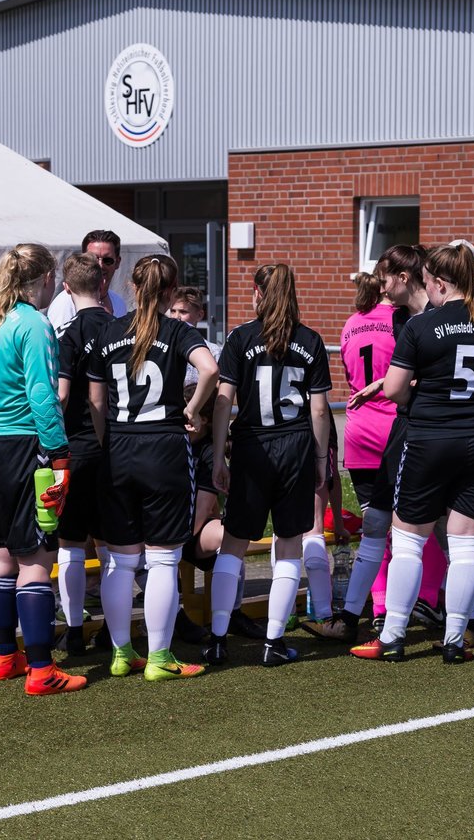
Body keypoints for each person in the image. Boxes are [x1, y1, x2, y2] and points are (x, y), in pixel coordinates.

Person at [350, 243, 474, 663]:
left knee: (409, 540)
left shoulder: (421, 327)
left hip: (430, 438)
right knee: (466, 542)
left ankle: (392, 636)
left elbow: (394, 390)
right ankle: (455, 640)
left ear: (439, 282)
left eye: (429, 281)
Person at [88, 255, 219, 682]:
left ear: (132, 286)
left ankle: (122, 652)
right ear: (170, 292)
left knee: (121, 562)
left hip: (120, 448)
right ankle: (160, 657)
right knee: (163, 560)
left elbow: (94, 401)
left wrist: (108, 440)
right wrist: (193, 410)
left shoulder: (108, 330)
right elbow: (210, 369)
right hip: (163, 448)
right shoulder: (179, 330)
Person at [0, 243, 85, 695]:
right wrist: (60, 456)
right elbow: (43, 395)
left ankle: (3, 656)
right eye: (51, 276)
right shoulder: (34, 324)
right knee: (35, 559)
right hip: (22, 447)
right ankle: (40, 669)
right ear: (42, 278)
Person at [204, 263, 332, 667]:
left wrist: (219, 450)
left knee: (234, 545)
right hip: (293, 446)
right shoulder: (309, 340)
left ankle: (218, 638)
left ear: (258, 293)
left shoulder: (241, 337)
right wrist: (319, 459)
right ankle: (273, 642)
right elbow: (320, 410)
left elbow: (224, 400)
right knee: (289, 543)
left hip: (252, 446)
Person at [304, 245, 434, 642]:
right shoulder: (405, 321)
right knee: (421, 529)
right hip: (399, 427)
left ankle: (377, 609)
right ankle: (430, 602)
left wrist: (376, 384)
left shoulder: (351, 324)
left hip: (364, 431)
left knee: (380, 527)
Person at [167, 286, 266, 641]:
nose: (186, 422)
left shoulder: (208, 449)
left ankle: (232, 613)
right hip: (162, 526)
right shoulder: (168, 442)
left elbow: (201, 512)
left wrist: (172, 539)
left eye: (192, 417)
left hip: (185, 531)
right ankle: (170, 615)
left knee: (232, 534)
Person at [53, 252, 117, 656]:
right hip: (118, 445)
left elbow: (60, 394)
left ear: (65, 288)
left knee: (71, 543)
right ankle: (114, 630)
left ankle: (74, 629)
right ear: (102, 285)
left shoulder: (67, 335)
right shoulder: (120, 328)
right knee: (114, 546)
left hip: (77, 445)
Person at [47, 230, 127, 330]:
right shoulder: (66, 302)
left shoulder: (119, 302)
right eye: (93, 259)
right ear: (82, 261)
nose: (100, 265)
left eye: (107, 260)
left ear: (117, 262)